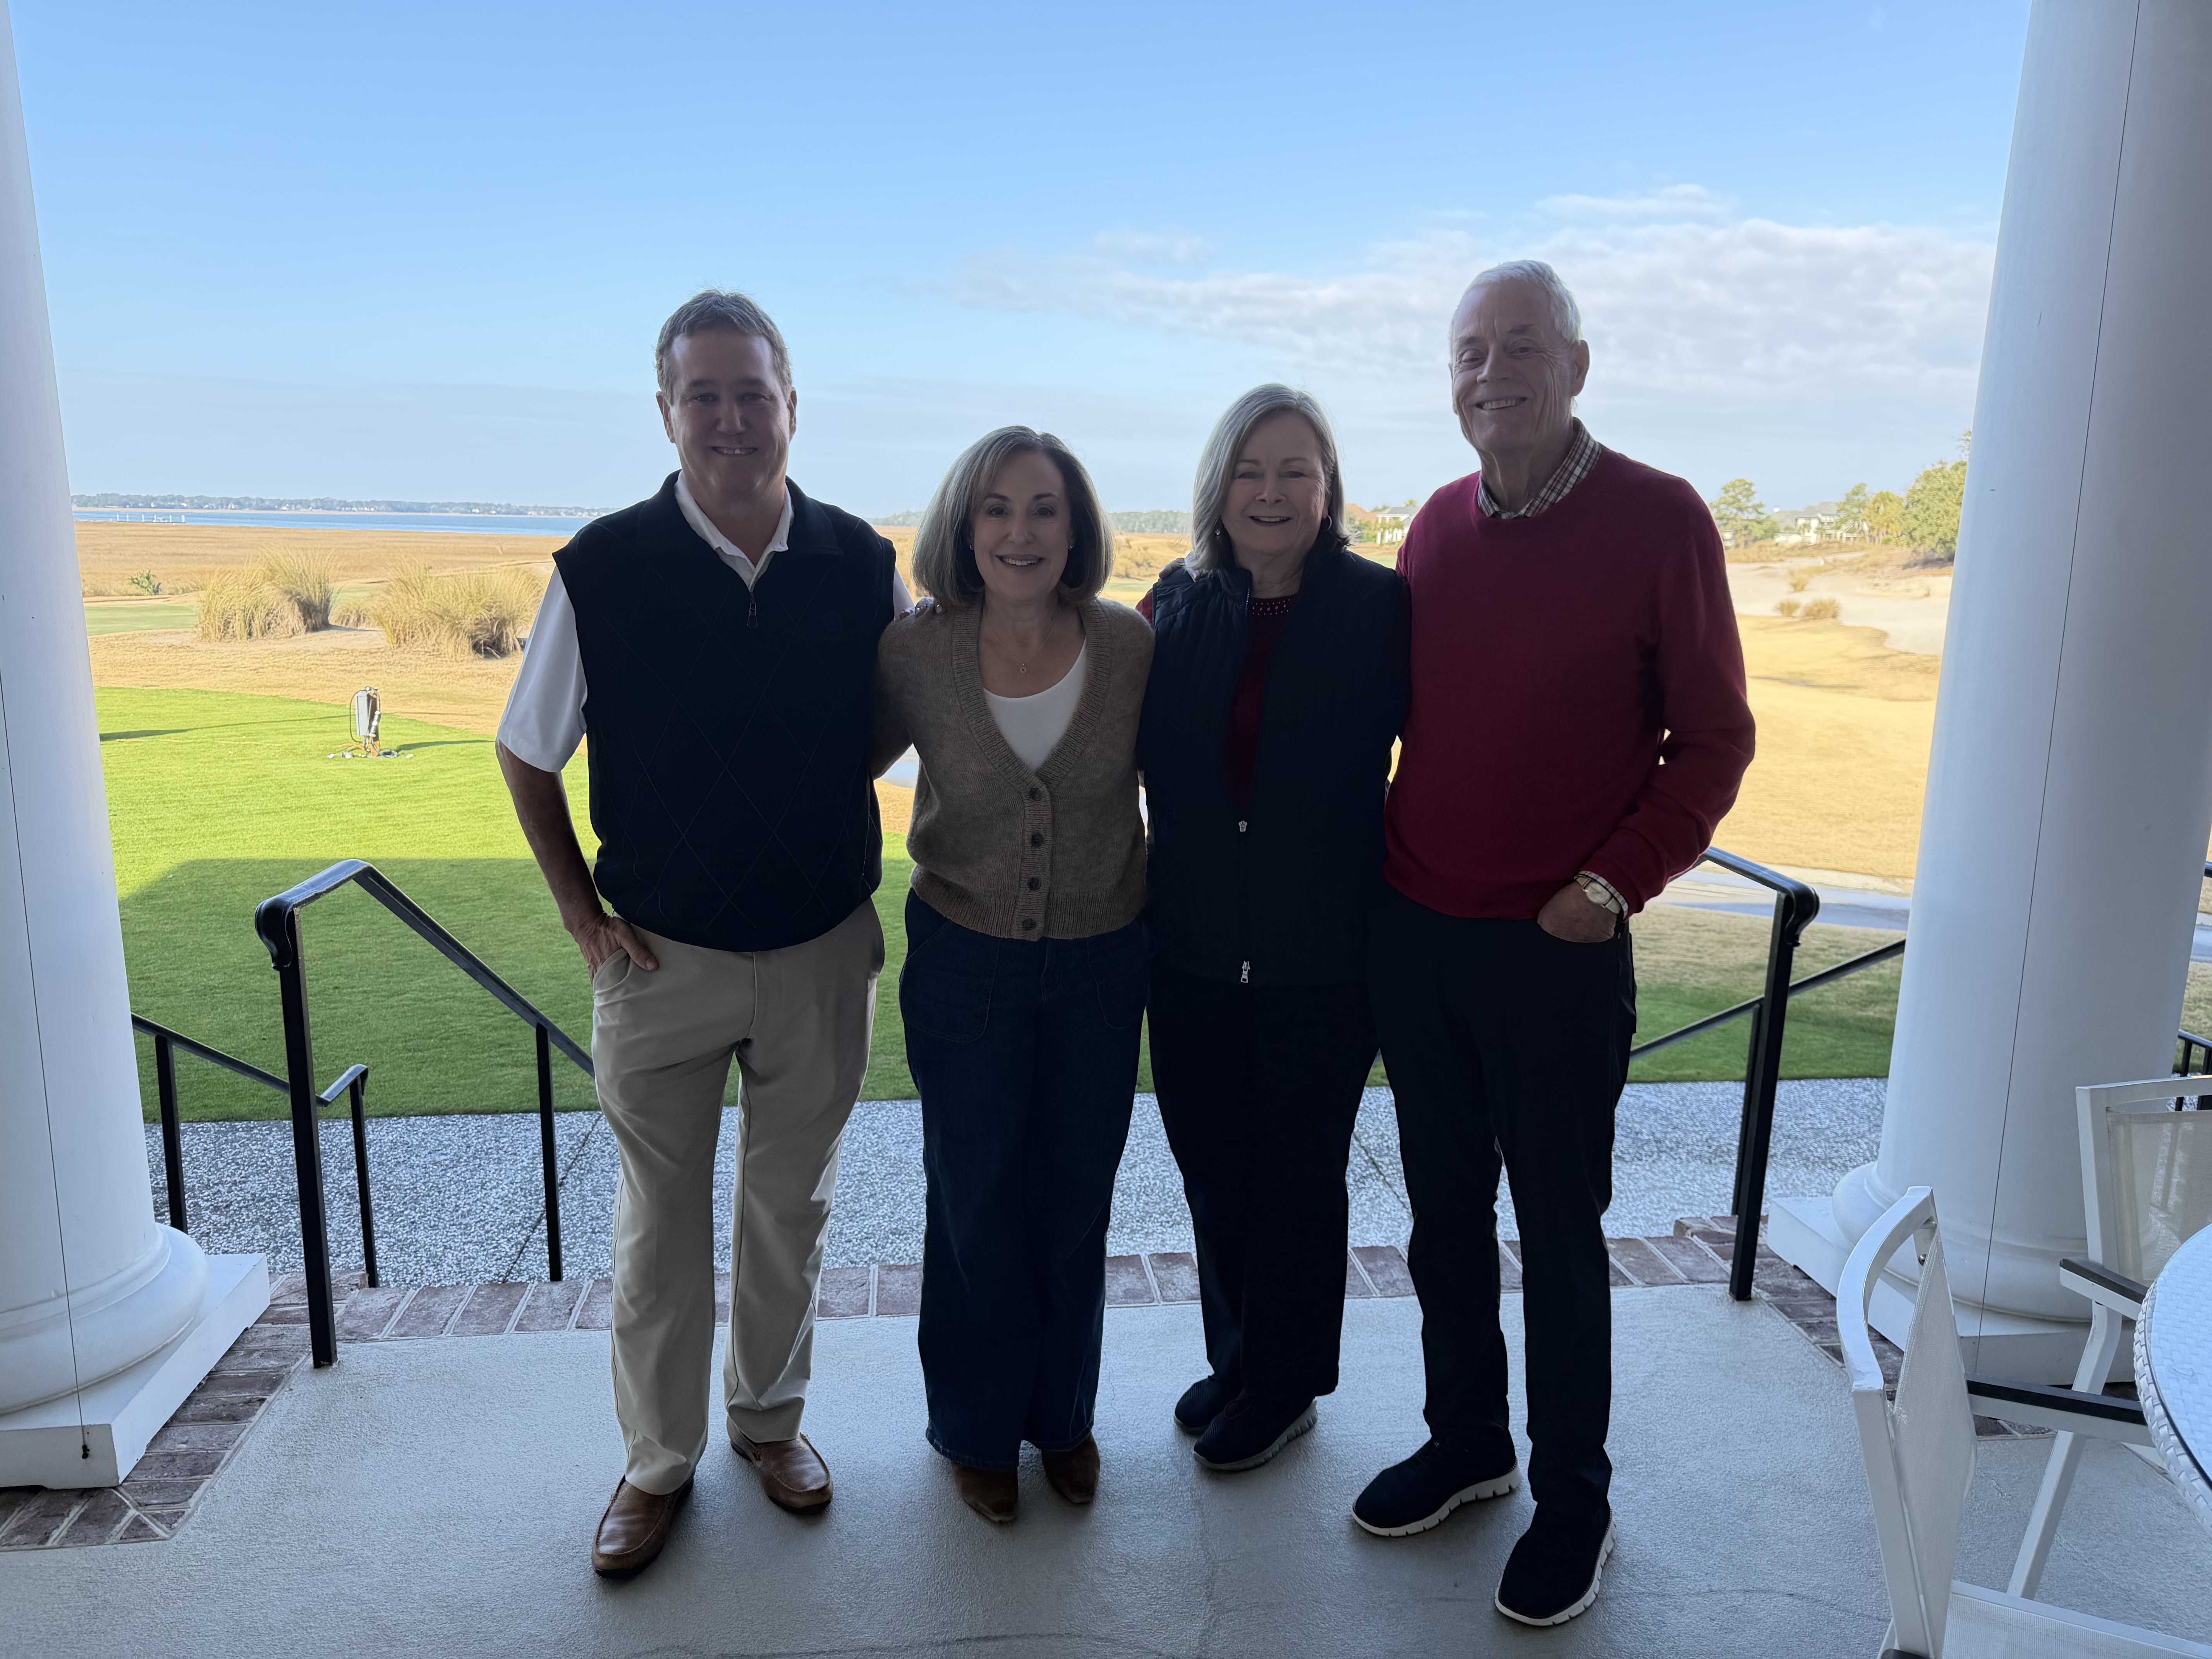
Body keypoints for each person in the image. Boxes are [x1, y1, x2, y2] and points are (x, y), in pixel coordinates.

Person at [1355, 261, 1754, 1627]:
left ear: (1576, 366)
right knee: (1443, 1221)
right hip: (1422, 934)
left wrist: (1613, 883)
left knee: (1560, 1234)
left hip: (1558, 947)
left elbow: (1714, 740)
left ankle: (1575, 1498)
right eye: (1470, 352)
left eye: (1521, 347)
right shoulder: (1435, 527)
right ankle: (1470, 1439)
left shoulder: (1661, 518)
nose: (1492, 374)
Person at [496, 289, 912, 1578]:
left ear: (792, 405)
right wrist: (582, 914)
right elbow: (526, 751)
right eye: (705, 395)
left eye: (753, 393)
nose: (732, 418)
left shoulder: (862, 563)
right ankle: (656, 1462)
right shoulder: (602, 567)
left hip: (821, 950)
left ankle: (769, 1423)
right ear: (667, 410)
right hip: (661, 962)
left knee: (790, 1209)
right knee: (658, 1229)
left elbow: (893, 723)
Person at [870, 426, 1152, 1524]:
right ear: (964, 524)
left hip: (1102, 961)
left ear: (1075, 528)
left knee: (1075, 1197)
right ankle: (977, 1429)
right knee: (975, 1198)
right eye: (996, 508)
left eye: (1044, 508)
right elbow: (830, 764)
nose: (1020, 531)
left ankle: (1063, 1417)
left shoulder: (1128, 645)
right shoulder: (915, 651)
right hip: (964, 957)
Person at [1135, 386, 1405, 1472]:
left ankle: (1288, 1385)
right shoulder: (1176, 601)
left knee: (1296, 1178)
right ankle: (1241, 1357)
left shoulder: (1380, 609)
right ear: (1217, 487)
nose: (1271, 492)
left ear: (1329, 488)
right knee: (1213, 1169)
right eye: (1249, 471)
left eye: (1297, 470)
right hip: (1191, 950)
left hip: (1323, 959)